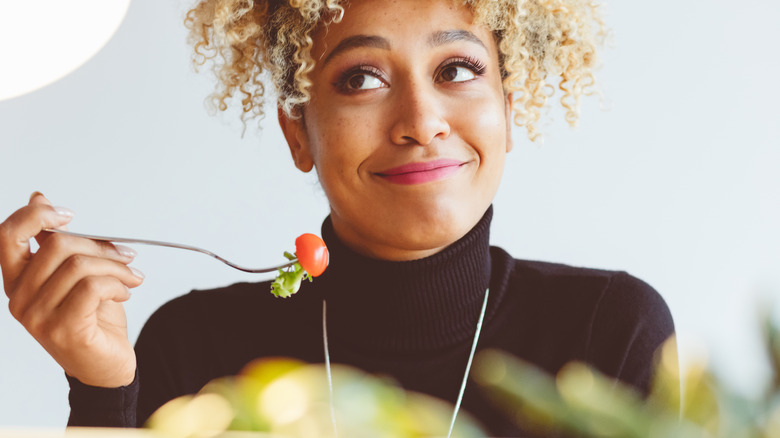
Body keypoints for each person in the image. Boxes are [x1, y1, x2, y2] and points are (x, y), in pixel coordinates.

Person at [0, 0, 675, 435]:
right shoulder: (194, 350)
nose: (421, 123)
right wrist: (101, 395)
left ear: (509, 102)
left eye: (458, 69)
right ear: (298, 132)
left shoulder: (606, 331)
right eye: (362, 79)